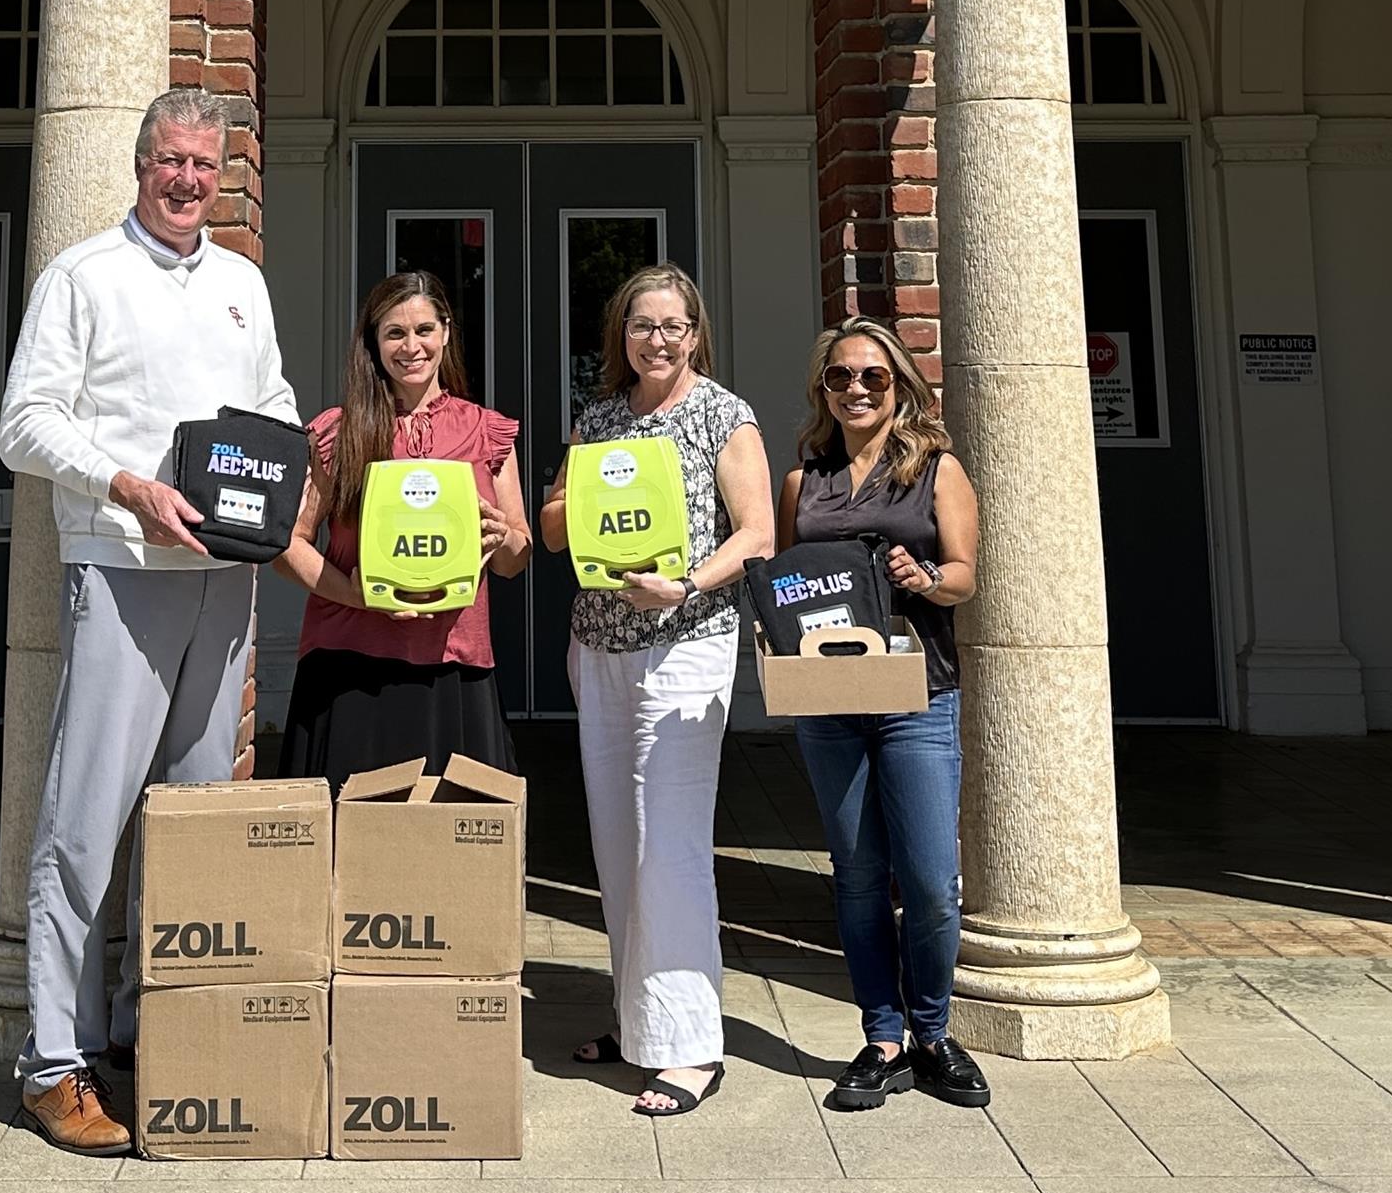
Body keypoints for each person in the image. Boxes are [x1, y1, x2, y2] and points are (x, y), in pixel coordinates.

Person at [0, 87, 299, 1156]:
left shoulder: (241, 283)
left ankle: (153, 1025)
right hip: (121, 571)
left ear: (221, 177)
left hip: (223, 580)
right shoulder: (83, 276)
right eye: (170, 161)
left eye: (203, 168)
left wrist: (289, 469)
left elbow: (268, 398)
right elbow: (23, 423)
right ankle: (51, 1062)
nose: (186, 182)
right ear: (141, 163)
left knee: (194, 819)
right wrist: (127, 487)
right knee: (85, 824)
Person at [540, 263, 773, 1118]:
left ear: (696, 333)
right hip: (600, 643)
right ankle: (641, 1024)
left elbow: (756, 532)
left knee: (667, 844)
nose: (658, 339)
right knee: (616, 842)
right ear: (622, 335)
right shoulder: (599, 416)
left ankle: (691, 1047)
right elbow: (558, 524)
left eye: (673, 325)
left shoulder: (724, 412)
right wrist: (569, 501)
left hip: (687, 641)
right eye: (642, 324)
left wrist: (683, 585)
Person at [774, 316, 988, 1111]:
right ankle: (884, 1035)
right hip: (830, 703)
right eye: (840, 377)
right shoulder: (804, 480)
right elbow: (786, 587)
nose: (857, 389)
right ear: (822, 391)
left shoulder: (938, 470)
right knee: (858, 877)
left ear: (899, 385)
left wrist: (925, 576)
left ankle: (934, 1031)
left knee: (931, 881)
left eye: (872, 376)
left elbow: (965, 577)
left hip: (917, 696)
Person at [274, 271, 529, 789]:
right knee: (348, 842)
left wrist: (503, 538)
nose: (411, 347)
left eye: (424, 330)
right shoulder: (337, 431)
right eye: (394, 333)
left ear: (447, 333)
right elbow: (287, 542)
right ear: (373, 342)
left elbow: (515, 556)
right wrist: (356, 595)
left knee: (452, 841)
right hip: (349, 666)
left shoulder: (486, 431)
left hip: (453, 660)